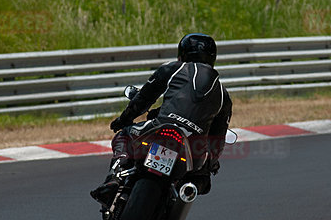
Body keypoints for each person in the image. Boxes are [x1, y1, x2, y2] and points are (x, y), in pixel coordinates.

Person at [90, 33, 232, 205]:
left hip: (162, 126)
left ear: (182, 54)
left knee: (124, 135)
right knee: (202, 179)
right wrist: (212, 164)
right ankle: (180, 199)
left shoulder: (173, 68)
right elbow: (218, 138)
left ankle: (114, 178)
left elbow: (143, 98)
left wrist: (124, 119)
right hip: (193, 146)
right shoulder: (224, 95)